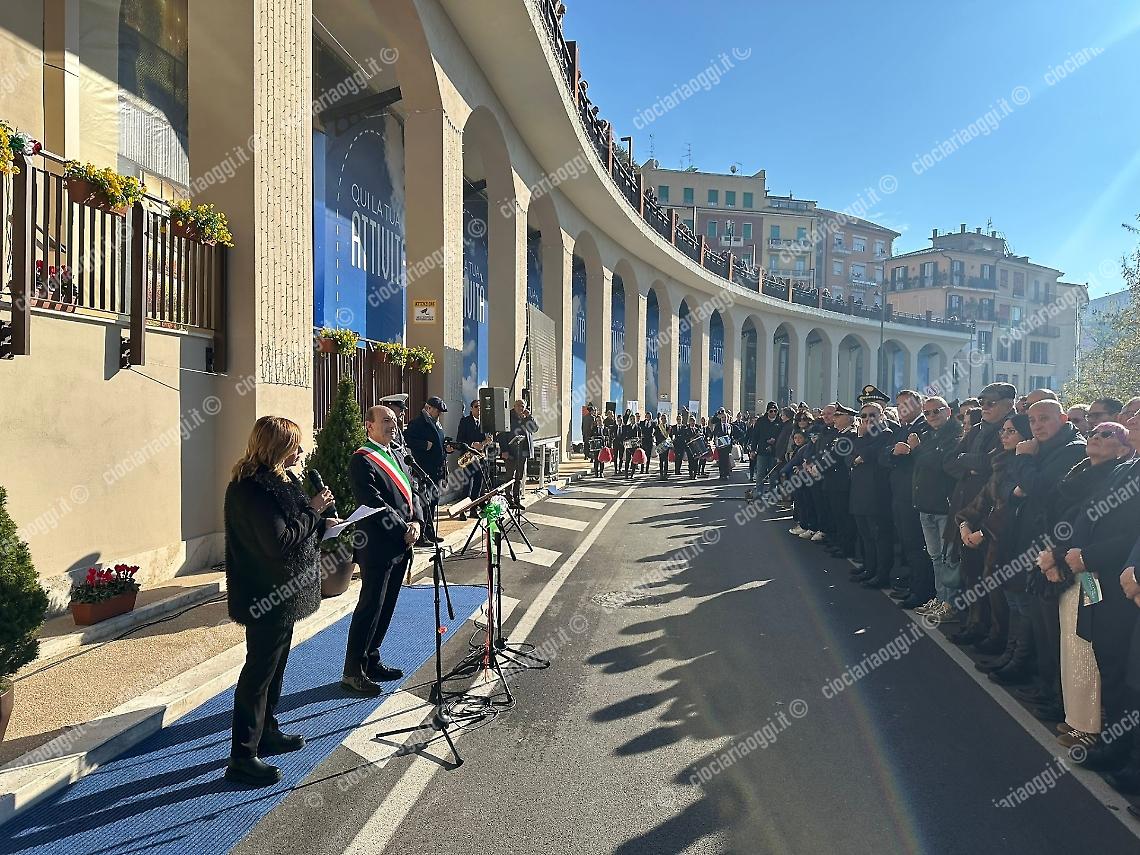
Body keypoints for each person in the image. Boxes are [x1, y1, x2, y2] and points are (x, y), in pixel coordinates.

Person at [224, 416, 338, 786]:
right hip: (266, 594)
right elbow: (279, 543)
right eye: (295, 446)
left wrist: (327, 523)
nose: (301, 452)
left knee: (275, 669)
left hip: (286, 593)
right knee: (258, 673)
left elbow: (300, 527)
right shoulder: (252, 489)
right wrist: (314, 511)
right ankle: (242, 756)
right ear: (276, 448)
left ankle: (267, 731)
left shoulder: (283, 481)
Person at [1037, 421, 1133, 744]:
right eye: (1095, 432)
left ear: (1122, 448)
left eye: (1107, 434)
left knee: (1095, 654)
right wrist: (1058, 554)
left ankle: (1094, 727)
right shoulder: (1100, 473)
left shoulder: (1121, 473)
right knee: (1077, 644)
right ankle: (1080, 720)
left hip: (1105, 575)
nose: (1095, 436)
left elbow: (1127, 535)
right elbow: (1078, 521)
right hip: (1079, 567)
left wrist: (1080, 556)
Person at [343, 405, 423, 696]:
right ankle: (353, 670)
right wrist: (404, 528)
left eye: (395, 420)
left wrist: (416, 521)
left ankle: (372, 659)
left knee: (387, 605)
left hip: (402, 543)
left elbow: (413, 492)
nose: (393, 424)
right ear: (370, 426)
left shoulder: (398, 454)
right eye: (386, 420)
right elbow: (374, 504)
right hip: (377, 545)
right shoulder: (362, 460)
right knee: (370, 606)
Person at [944, 382, 1015, 646]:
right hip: (967, 509)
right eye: (982, 401)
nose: (983, 407)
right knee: (971, 574)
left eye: (991, 402)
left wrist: (970, 461)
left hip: (989, 513)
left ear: (1008, 404)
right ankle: (976, 623)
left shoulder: (1010, 429)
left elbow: (990, 464)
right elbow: (949, 461)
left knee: (991, 580)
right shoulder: (975, 429)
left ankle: (995, 634)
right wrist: (969, 464)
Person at [908, 396, 964, 614]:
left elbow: (941, 464)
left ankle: (950, 604)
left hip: (945, 508)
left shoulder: (955, 434)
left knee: (948, 558)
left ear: (948, 412)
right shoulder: (929, 435)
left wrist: (918, 450)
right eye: (927, 412)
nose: (931, 416)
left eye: (936, 411)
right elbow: (926, 464)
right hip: (926, 506)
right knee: (935, 557)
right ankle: (941, 599)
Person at [404, 396, 449, 546]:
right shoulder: (418, 423)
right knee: (424, 504)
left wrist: (446, 447)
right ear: (428, 408)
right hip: (424, 470)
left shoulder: (436, 423)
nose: (439, 414)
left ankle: (430, 533)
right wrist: (424, 445)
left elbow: (439, 442)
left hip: (437, 470)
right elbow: (407, 439)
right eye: (437, 411)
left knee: (433, 503)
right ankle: (421, 535)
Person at [453, 399, 487, 519]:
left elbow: (484, 440)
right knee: (468, 485)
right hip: (468, 456)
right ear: (471, 409)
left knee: (478, 484)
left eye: (480, 407)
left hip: (480, 457)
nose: (479, 409)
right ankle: (462, 511)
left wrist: (486, 442)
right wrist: (472, 444)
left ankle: (474, 509)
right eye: (476, 406)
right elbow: (459, 439)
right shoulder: (465, 421)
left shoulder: (485, 423)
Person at [507, 399, 535, 504]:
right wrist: (504, 450)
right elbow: (502, 434)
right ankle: (509, 499)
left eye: (522, 406)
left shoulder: (526, 417)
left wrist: (529, 417)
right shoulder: (509, 416)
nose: (521, 408)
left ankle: (517, 498)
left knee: (519, 476)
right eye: (518, 406)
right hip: (511, 450)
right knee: (510, 476)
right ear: (514, 406)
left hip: (523, 450)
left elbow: (534, 429)